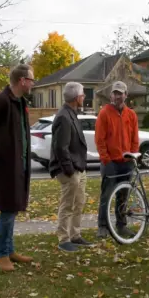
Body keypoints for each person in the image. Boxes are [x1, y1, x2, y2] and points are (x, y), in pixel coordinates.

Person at [0, 64, 36, 272]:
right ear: (22, 80)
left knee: (14, 207)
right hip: (5, 166)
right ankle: (1, 254)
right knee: (8, 209)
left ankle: (10, 250)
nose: (33, 84)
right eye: (31, 80)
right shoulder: (2, 101)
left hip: (19, 164)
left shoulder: (20, 102)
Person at [49, 82, 90, 252]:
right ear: (76, 97)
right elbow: (61, 147)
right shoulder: (63, 117)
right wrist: (69, 170)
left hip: (78, 167)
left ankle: (75, 235)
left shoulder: (72, 113)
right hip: (69, 169)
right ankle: (64, 239)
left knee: (79, 202)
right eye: (82, 94)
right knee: (67, 205)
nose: (84, 97)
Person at [95, 81, 139, 238]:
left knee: (123, 196)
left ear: (126, 95)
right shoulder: (104, 113)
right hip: (110, 163)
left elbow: (134, 139)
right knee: (106, 195)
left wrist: (132, 156)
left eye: (120, 93)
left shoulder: (131, 115)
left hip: (126, 163)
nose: (117, 96)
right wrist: (106, 160)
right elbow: (100, 140)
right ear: (111, 95)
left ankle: (121, 225)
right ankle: (102, 226)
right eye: (114, 93)